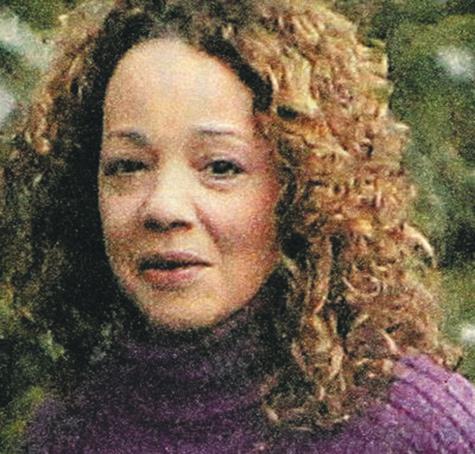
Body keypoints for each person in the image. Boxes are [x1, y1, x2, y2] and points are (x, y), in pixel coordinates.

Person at [1, 0, 474, 452]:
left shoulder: (418, 432)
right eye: (128, 166)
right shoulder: (67, 430)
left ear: (305, 189)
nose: (163, 207)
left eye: (221, 167)